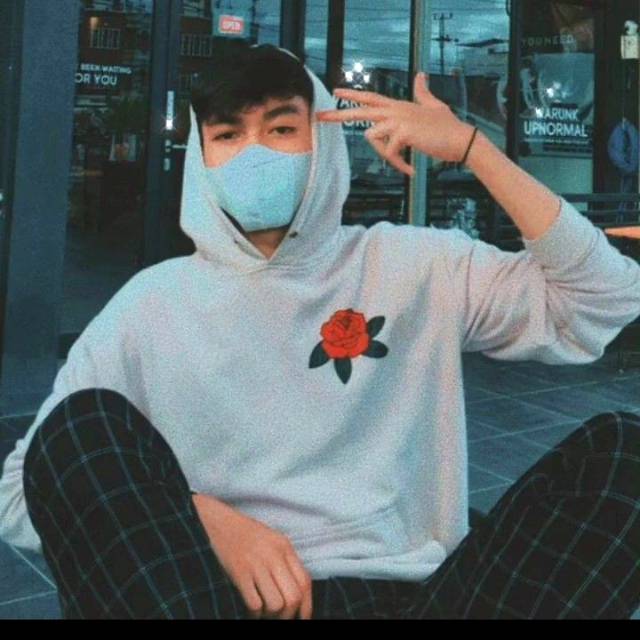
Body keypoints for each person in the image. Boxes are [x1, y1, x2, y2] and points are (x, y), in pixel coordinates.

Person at [0, 41, 639, 620]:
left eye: (281, 128)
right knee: (79, 428)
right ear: (201, 158)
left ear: (324, 140)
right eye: (227, 135)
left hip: (421, 597)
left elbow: (609, 297)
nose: (253, 153)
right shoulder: (151, 304)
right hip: (218, 599)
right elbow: (23, 490)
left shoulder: (416, 265)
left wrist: (475, 149)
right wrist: (206, 521)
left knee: (626, 451)